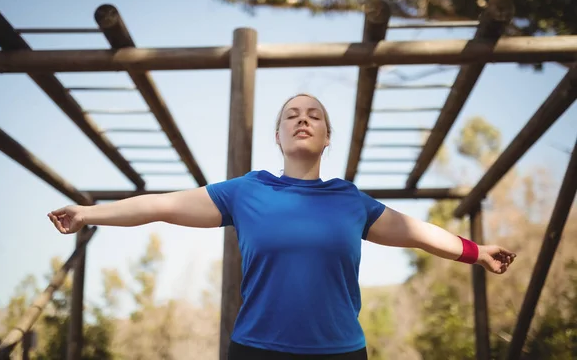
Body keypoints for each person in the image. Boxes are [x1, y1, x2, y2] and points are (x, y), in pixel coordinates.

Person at [48, 93, 516, 360]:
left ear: (328, 137)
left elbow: (418, 232)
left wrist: (478, 251)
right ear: (278, 136)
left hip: (341, 353)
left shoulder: (350, 201)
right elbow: (161, 205)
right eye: (291, 115)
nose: (303, 120)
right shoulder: (246, 192)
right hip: (257, 351)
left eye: (314, 115)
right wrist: (90, 213)